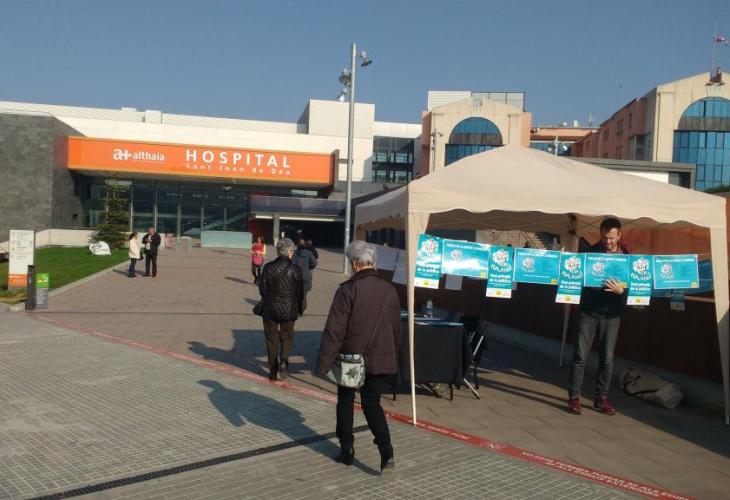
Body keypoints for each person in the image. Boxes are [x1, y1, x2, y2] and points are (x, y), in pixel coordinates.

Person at [316, 240, 401, 473]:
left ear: (355, 263)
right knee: (372, 404)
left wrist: (324, 362)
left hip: (351, 358)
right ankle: (386, 450)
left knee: (345, 401)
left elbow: (335, 330)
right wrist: (395, 358)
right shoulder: (390, 290)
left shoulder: (347, 290)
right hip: (381, 357)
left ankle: (347, 449)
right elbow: (396, 329)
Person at [568, 218, 628, 416]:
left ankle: (601, 398)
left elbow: (635, 289)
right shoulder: (589, 254)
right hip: (589, 312)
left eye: (611, 238)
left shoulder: (627, 258)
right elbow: (575, 278)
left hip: (612, 315)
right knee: (580, 356)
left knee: (607, 359)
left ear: (619, 236)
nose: (607, 241)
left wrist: (621, 291)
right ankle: (574, 397)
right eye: (604, 237)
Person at [258, 238, 303, 381]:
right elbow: (299, 292)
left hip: (270, 309)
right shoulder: (296, 269)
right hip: (289, 309)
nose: (293, 254)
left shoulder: (268, 267)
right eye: (293, 251)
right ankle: (284, 361)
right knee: (287, 337)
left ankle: (272, 370)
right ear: (289, 252)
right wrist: (300, 309)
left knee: (271, 339)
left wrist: (270, 298)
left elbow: (262, 288)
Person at [292, 239, 317, 314]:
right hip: (306, 276)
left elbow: (293, 263)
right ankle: (302, 310)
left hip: (297, 276)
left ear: (298, 245)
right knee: (304, 294)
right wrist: (310, 267)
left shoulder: (295, 253)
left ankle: (298, 308)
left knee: (297, 293)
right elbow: (314, 262)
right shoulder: (309, 253)